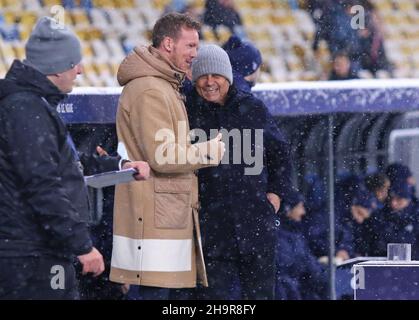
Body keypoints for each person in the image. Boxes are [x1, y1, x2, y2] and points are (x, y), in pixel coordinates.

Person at [110, 12, 225, 300]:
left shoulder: (163, 85)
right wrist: (209, 150)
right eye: (190, 47)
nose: (195, 55)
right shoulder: (150, 89)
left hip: (163, 217)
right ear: (168, 44)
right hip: (154, 220)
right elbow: (162, 156)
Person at [0, 16, 104, 299]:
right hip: (32, 255)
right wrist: (82, 244)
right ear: (56, 69)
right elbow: (42, 185)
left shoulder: (30, 106)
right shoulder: (26, 110)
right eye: (74, 64)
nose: (81, 71)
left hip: (32, 250)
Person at [186, 44, 293, 299]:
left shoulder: (252, 108)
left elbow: (281, 154)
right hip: (210, 231)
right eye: (203, 75)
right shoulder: (187, 110)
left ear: (228, 77)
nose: (209, 82)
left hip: (255, 226)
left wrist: (276, 194)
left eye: (216, 75)